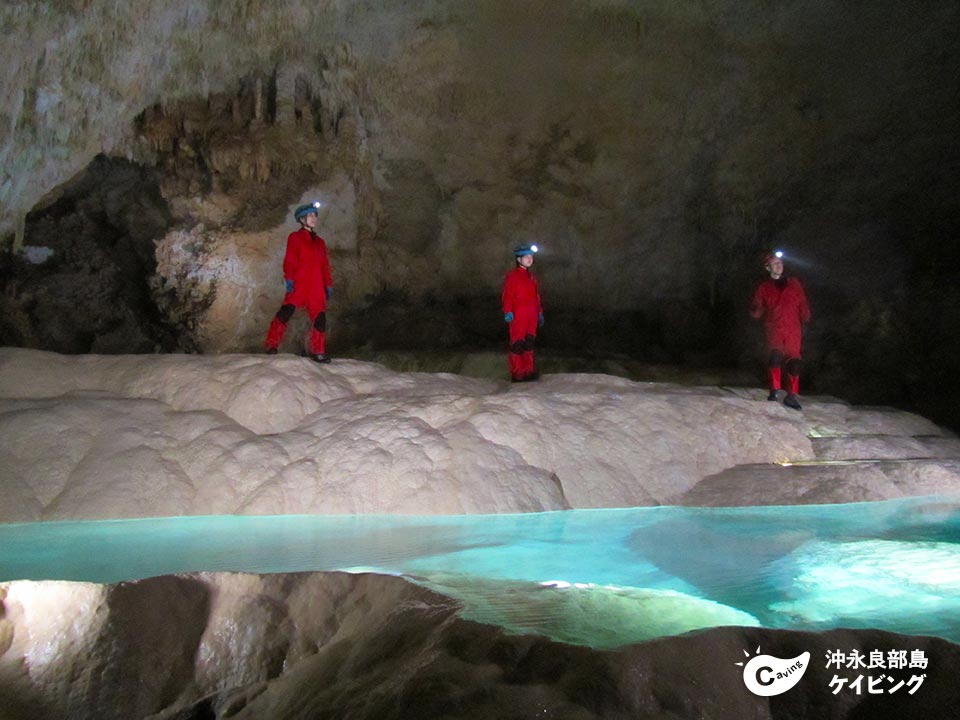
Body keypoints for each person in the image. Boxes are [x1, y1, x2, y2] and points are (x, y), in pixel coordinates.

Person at [264, 201, 333, 362]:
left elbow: (325, 266)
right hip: (300, 283)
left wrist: (328, 284)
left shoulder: (320, 243)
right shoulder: (295, 238)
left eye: (315, 215)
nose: (313, 218)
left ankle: (318, 351)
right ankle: (271, 345)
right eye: (310, 215)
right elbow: (290, 261)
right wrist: (289, 279)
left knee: (320, 319)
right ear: (302, 219)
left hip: (316, 287)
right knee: (285, 312)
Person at [750, 251, 811, 410]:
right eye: (775, 263)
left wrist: (806, 319)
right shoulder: (764, 288)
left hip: (793, 330)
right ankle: (774, 391)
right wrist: (755, 309)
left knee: (795, 364)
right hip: (775, 328)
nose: (779, 265)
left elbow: (803, 303)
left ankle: (791, 396)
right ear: (768, 267)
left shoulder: (794, 283)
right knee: (775, 358)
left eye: (780, 263)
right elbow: (757, 310)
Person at [502, 243, 544, 382]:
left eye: (531, 257)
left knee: (529, 343)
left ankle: (528, 371)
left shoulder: (531, 278)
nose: (529, 259)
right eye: (526, 257)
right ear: (519, 259)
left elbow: (536, 297)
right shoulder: (513, 277)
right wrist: (508, 311)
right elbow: (508, 295)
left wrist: (539, 312)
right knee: (517, 344)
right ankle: (518, 373)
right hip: (519, 315)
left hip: (531, 316)